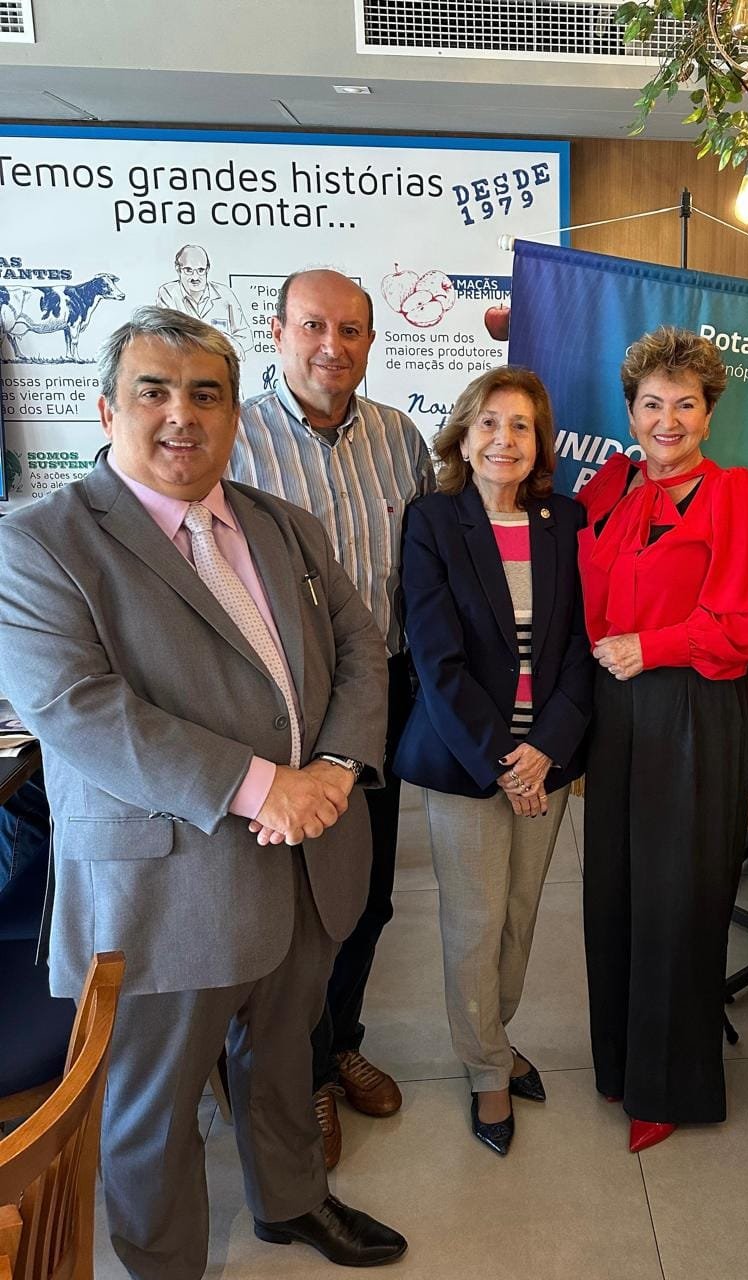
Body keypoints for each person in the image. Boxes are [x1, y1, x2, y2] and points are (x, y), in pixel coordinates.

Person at [0, 307, 406, 1278]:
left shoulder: (281, 523)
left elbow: (359, 647)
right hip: (165, 884)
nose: (183, 414)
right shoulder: (42, 540)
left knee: (283, 1054)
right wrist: (264, 786)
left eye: (206, 394)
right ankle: (166, 1263)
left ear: (234, 415)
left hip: (306, 858)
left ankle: (292, 1202)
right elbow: (77, 707)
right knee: (155, 1103)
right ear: (107, 407)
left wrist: (337, 772)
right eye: (154, 390)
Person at [230, 267, 436, 1168]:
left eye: (351, 331)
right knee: (282, 906)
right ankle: (293, 1071)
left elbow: (425, 574)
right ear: (275, 331)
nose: (332, 346)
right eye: (314, 326)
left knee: (365, 894)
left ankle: (336, 1040)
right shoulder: (228, 438)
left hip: (377, 693)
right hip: (268, 704)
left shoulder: (400, 439)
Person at [577, 326, 748, 1153]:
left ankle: (671, 1085)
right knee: (614, 890)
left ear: (709, 413)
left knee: (678, 899)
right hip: (613, 711)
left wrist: (651, 645)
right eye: (651, 404)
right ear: (628, 410)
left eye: (685, 405)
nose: (667, 420)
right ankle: (621, 1062)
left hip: (694, 707)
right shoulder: (610, 482)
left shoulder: (733, 492)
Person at [393, 366, 592, 1156]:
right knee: (473, 924)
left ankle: (495, 1038)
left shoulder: (566, 520)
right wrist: (506, 758)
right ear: (464, 435)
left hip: (548, 758)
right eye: (489, 423)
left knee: (518, 916)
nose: (504, 440)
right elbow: (435, 660)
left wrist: (545, 749)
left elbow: (582, 644)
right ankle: (484, 1069)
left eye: (521, 426)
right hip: (470, 761)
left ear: (539, 442)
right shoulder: (434, 522)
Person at [156, 244, 253, 354]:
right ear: (178, 269)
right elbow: (167, 336)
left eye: (201, 270)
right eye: (188, 270)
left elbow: (246, 336)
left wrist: (228, 348)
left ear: (207, 269)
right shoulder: (168, 293)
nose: (195, 277)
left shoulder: (225, 294)